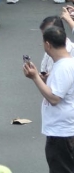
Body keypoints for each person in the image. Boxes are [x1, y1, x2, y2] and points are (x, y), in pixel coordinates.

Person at [23, 24, 74, 173]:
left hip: (62, 132)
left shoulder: (63, 67)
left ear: (47, 44)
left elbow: (54, 98)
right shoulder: (66, 64)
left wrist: (34, 78)